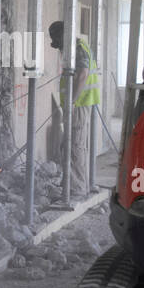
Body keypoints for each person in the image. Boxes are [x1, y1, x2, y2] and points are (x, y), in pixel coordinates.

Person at [49, 20, 98, 188]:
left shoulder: (78, 49)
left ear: (64, 36)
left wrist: (72, 101)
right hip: (78, 103)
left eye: (59, 43)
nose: (60, 48)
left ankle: (76, 188)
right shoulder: (79, 47)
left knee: (74, 146)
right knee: (71, 144)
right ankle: (70, 182)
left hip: (79, 104)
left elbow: (83, 74)